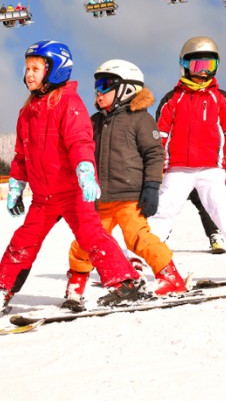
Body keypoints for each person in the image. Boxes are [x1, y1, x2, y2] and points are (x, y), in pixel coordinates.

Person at [0, 40, 147, 321]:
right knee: (23, 241)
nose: (29, 74)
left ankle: (126, 284)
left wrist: (85, 171)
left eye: (36, 68)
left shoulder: (69, 103)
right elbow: (22, 155)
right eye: (27, 68)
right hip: (43, 197)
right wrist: (16, 187)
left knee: (92, 236)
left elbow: (80, 141)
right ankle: (2, 291)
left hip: (72, 191)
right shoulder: (27, 112)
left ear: (55, 70)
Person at [148, 36, 226, 276]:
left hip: (211, 169)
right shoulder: (172, 100)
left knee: (224, 210)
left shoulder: (221, 99)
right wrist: (156, 169)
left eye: (210, 65)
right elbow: (160, 137)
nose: (204, 72)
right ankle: (139, 260)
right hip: (176, 169)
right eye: (198, 65)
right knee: (162, 211)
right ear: (184, 65)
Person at [65, 59, 186, 310]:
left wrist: (152, 186)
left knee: (138, 239)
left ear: (127, 89)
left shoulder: (140, 119)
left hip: (131, 196)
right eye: (96, 85)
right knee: (86, 241)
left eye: (105, 84)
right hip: (100, 199)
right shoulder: (95, 121)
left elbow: (154, 154)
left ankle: (171, 277)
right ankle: (76, 285)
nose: (98, 91)